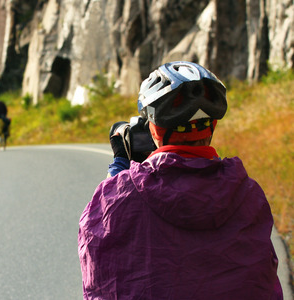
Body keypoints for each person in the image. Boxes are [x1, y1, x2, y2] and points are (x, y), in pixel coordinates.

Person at [78, 61, 282, 299]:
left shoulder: (118, 195)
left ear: (153, 129)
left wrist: (120, 165)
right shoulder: (247, 192)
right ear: (213, 124)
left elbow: (98, 261)